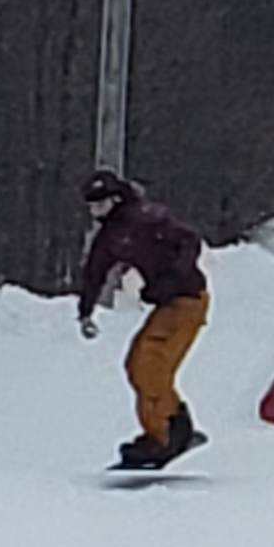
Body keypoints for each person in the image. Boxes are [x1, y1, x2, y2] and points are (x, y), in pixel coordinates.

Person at [75, 167, 210, 468]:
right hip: (168, 304)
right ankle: (158, 433)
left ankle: (171, 432)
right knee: (137, 363)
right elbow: (95, 271)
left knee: (152, 364)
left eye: (100, 205)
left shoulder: (146, 217)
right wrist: (86, 310)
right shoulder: (111, 235)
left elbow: (189, 240)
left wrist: (176, 274)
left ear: (115, 199)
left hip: (187, 299)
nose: (95, 212)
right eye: (91, 207)